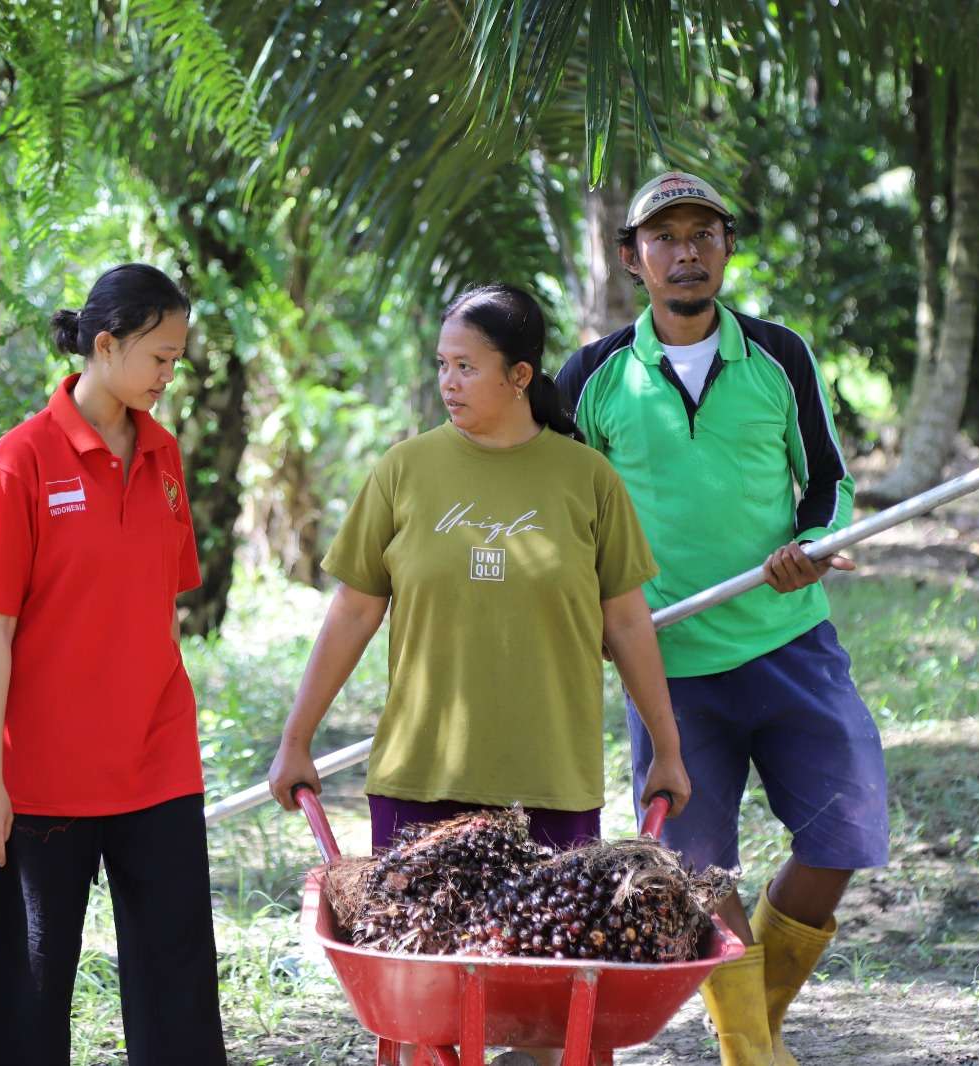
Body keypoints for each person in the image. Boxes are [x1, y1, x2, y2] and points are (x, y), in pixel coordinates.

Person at [556, 173, 889, 1066]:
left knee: (844, 829)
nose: (687, 250)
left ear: (727, 247)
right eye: (665, 237)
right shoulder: (592, 377)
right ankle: (750, 1049)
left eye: (704, 232)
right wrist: (589, 605)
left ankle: (755, 1023)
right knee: (699, 873)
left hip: (789, 640)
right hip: (667, 663)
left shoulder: (780, 355)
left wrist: (813, 543)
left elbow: (826, 481)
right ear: (633, 258)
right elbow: (564, 507)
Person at [266, 281, 690, 853]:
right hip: (419, 784)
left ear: (519, 376)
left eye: (466, 366)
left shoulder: (587, 479)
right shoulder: (403, 470)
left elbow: (628, 623)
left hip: (551, 786)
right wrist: (296, 740)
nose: (448, 381)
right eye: (442, 364)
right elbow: (353, 612)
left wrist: (667, 752)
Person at [0, 263, 227, 1065]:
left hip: (157, 764)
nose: (169, 376)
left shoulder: (165, 455)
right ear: (103, 346)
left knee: (178, 995)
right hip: (39, 781)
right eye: (159, 357)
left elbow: (155, 606)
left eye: (178, 360)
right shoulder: (21, 460)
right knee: (23, 1000)